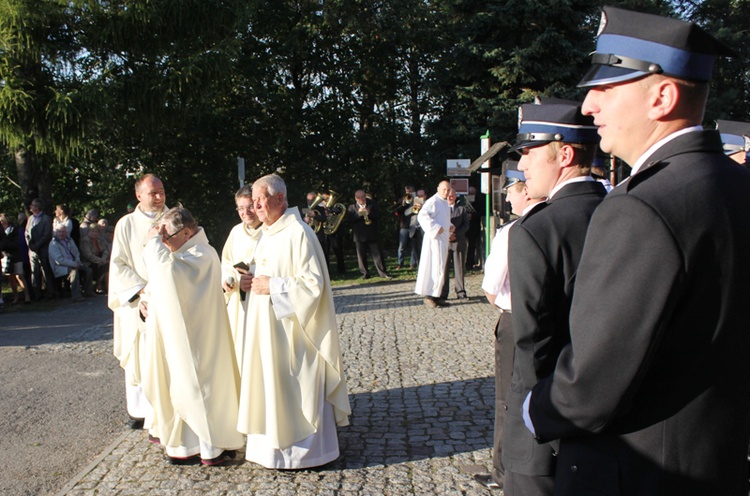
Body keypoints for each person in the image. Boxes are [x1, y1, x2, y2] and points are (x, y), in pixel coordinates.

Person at [524, 7, 750, 495]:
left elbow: (590, 385)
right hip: (716, 461)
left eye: (605, 88)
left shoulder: (643, 204)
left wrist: (532, 408)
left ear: (662, 97)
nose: (588, 107)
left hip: (636, 473)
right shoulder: (736, 184)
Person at [503, 100, 605, 495]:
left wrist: (530, 420)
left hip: (545, 424)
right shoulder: (619, 209)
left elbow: (533, 343)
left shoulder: (537, 230)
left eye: (529, 152)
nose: (523, 166)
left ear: (564, 154)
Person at [237, 173, 351, 469]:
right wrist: (251, 281)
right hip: (267, 329)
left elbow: (313, 285)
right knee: (269, 385)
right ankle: (270, 452)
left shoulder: (298, 233)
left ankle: (306, 455)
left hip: (294, 333)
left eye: (261, 199)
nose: (256, 206)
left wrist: (273, 286)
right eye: (255, 200)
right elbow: (268, 273)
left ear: (280, 199)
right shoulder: (268, 232)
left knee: (294, 387)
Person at [139, 207, 244, 466]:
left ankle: (211, 446)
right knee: (175, 383)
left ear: (186, 233)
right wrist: (145, 299)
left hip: (199, 344)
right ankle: (182, 446)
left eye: (167, 235)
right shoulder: (180, 253)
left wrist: (153, 242)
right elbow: (159, 282)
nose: (164, 240)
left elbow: (169, 275)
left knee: (198, 387)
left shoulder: (203, 254)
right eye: (161, 236)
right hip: (175, 341)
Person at [475, 163, 545, 491]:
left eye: (511, 191)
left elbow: (491, 287)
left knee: (507, 396)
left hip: (516, 320)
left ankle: (503, 470)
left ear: (525, 190)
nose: (507, 199)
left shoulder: (512, 232)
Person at [108, 174, 168, 429]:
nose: (158, 197)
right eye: (152, 193)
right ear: (139, 195)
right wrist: (142, 291)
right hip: (138, 301)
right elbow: (118, 264)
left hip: (167, 297)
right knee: (140, 355)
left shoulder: (174, 218)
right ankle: (141, 410)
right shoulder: (127, 224)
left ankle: (167, 408)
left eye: (161, 191)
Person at [221, 184, 263, 366]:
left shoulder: (271, 232)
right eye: (241, 208)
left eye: (249, 206)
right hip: (240, 303)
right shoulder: (236, 233)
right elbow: (227, 263)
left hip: (263, 302)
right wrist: (230, 280)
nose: (246, 212)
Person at [414, 180, 451, 308]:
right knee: (434, 267)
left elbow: (442, 218)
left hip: (443, 238)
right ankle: (429, 295)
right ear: (438, 189)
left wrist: (449, 226)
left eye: (448, 190)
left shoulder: (444, 202)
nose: (446, 192)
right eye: (444, 189)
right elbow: (422, 216)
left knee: (441, 268)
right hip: (435, 239)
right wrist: (435, 228)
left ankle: (437, 295)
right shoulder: (433, 201)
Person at [347, 190, 390, 279]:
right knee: (361, 256)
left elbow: (379, 215)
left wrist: (369, 212)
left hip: (372, 233)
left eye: (363, 196)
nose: (362, 199)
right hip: (359, 235)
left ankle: (383, 273)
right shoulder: (352, 207)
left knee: (378, 254)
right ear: (356, 198)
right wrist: (359, 214)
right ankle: (365, 273)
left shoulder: (372, 204)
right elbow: (350, 220)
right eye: (359, 198)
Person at [48, 226, 92, 302]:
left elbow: (76, 252)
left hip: (74, 263)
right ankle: (76, 296)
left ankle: (87, 291)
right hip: (61, 266)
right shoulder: (53, 244)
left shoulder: (70, 240)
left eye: (63, 232)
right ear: (56, 233)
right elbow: (59, 260)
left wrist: (77, 261)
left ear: (66, 233)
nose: (61, 234)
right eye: (59, 232)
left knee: (89, 270)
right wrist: (74, 264)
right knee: (74, 273)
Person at [440, 188, 470, 300]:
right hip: (445, 242)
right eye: (448, 195)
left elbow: (466, 225)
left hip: (458, 241)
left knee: (459, 268)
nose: (450, 197)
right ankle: (443, 293)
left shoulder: (462, 209)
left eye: (452, 195)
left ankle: (461, 292)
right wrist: (447, 235)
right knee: (444, 269)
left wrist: (455, 234)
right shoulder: (441, 210)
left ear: (456, 196)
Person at [25, 198, 54, 300]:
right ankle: (37, 294)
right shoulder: (30, 219)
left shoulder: (46, 219)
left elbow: (47, 235)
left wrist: (37, 245)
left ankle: (50, 293)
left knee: (46, 271)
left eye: (32, 205)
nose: (30, 207)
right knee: (35, 272)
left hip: (43, 249)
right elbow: (27, 233)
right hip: (32, 251)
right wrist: (30, 245)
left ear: (37, 207)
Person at [0, 213, 31, 304]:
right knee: (10, 277)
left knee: (19, 275)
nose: (1, 223)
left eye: (2, 221)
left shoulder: (14, 229)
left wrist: (5, 245)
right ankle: (16, 296)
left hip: (16, 255)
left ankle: (27, 295)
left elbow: (16, 243)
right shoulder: (1, 231)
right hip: (5, 256)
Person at [80, 225, 110, 294]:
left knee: (108, 265)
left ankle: (105, 286)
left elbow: (105, 250)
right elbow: (89, 256)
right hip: (89, 262)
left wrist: (103, 259)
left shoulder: (99, 239)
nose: (94, 233)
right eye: (92, 231)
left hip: (100, 260)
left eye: (96, 232)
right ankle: (98, 286)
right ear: (89, 232)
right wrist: (100, 261)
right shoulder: (85, 241)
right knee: (104, 266)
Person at [395, 185, 417, 270]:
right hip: (404, 225)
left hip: (414, 224)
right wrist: (403, 205)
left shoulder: (417, 199)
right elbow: (397, 211)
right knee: (401, 246)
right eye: (407, 192)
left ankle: (412, 263)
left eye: (410, 192)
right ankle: (400, 263)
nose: (408, 193)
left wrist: (414, 204)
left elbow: (416, 211)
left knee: (413, 246)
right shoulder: (402, 199)